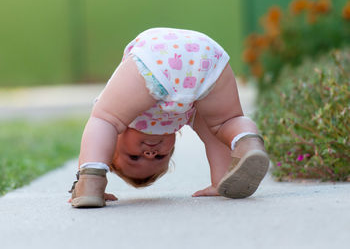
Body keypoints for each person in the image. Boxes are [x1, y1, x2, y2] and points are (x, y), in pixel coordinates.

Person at [69, 27, 269, 208]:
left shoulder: (123, 119)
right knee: (224, 123)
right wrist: (220, 183)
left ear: (114, 142)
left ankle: (90, 181)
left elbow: (104, 123)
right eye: (160, 156)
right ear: (171, 146)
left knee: (105, 119)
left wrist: (108, 128)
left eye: (134, 157)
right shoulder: (184, 114)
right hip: (206, 55)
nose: (149, 153)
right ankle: (246, 142)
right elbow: (213, 140)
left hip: (155, 55)